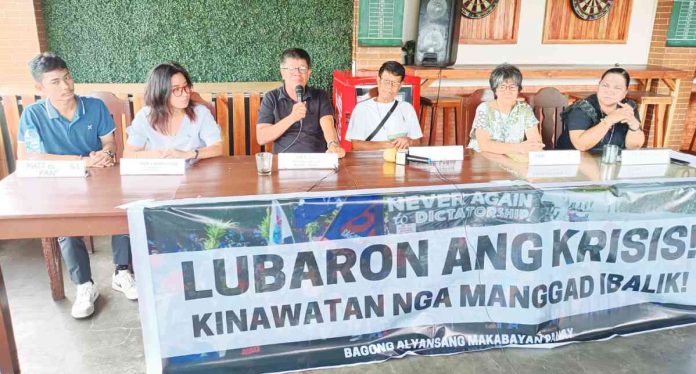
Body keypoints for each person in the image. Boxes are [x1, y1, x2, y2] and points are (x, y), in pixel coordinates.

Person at [16, 52, 136, 319]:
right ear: (40, 88)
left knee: (124, 207)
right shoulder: (33, 116)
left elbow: (109, 143)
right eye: (56, 82)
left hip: (102, 178)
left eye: (67, 77)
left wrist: (105, 153)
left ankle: (122, 271)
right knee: (65, 222)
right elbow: (29, 157)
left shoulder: (94, 107)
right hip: (60, 185)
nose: (66, 86)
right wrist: (81, 161)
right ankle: (85, 285)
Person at [256, 48, 345, 157]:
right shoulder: (271, 98)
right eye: (291, 69)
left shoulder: (320, 96)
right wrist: (292, 117)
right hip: (284, 162)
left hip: (316, 160)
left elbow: (328, 124)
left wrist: (333, 144)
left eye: (302, 68)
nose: (297, 73)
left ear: (308, 73)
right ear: (282, 73)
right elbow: (261, 137)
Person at [123, 62, 222, 159]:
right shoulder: (145, 116)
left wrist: (188, 154)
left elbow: (218, 148)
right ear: (160, 92)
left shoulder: (200, 113)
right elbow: (128, 155)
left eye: (185, 87)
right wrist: (156, 155)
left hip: (197, 172)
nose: (185, 94)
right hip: (159, 173)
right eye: (176, 89)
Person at [556, 67, 644, 151]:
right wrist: (609, 120)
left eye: (617, 88)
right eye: (605, 85)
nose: (609, 91)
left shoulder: (627, 107)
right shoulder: (582, 108)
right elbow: (581, 145)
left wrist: (634, 125)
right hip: (573, 161)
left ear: (624, 93)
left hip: (610, 162)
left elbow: (634, 147)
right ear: (599, 86)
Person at [467, 63, 544, 154]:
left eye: (512, 87)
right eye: (502, 87)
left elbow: (536, 142)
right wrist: (519, 148)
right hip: (483, 158)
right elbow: (485, 145)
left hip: (513, 158)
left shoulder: (525, 109)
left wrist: (534, 147)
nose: (507, 91)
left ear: (519, 89)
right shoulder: (484, 109)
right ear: (495, 90)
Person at [345, 61, 422, 150]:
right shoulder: (362, 109)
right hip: (371, 162)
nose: (389, 87)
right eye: (386, 81)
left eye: (395, 83)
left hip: (400, 160)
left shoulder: (407, 108)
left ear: (400, 85)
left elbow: (418, 142)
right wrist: (385, 145)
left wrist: (410, 141)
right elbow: (356, 145)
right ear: (378, 80)